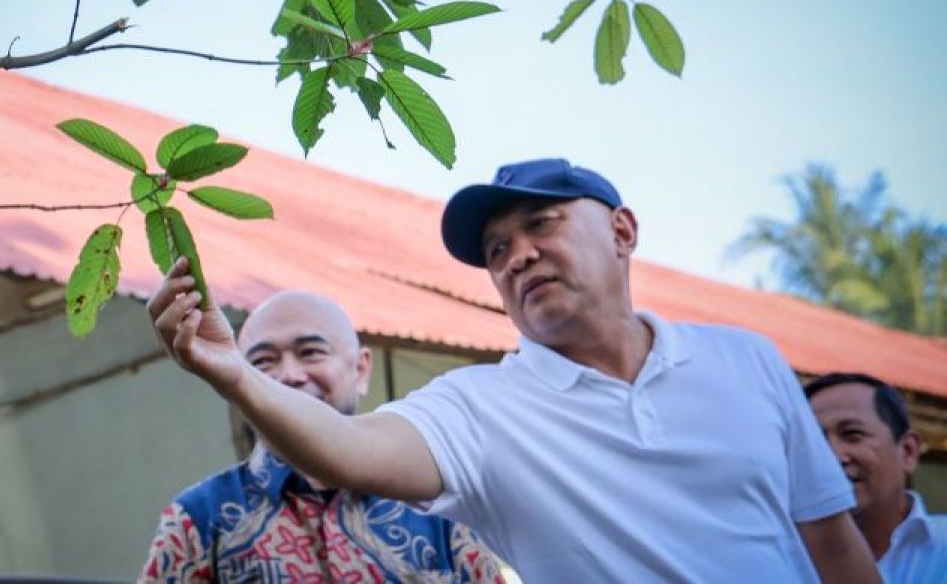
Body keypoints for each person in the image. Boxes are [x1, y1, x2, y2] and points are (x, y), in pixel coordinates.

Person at [149, 157, 881, 582]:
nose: (518, 255)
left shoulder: (746, 359)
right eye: (496, 249)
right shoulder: (480, 409)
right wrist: (232, 376)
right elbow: (353, 450)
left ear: (622, 231)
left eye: (541, 224)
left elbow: (833, 545)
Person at [137, 289, 506, 583]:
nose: (290, 375)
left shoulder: (437, 506)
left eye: (311, 352)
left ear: (361, 369)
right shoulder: (199, 518)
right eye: (263, 362)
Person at [806, 372, 947, 582]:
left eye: (852, 435)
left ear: (908, 451)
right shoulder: (782, 561)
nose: (832, 457)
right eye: (816, 442)